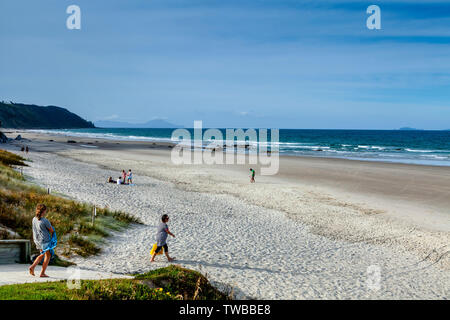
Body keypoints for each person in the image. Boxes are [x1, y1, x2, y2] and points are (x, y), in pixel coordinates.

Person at [29, 204, 54, 278]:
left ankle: (33, 267)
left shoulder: (34, 219)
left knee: (42, 255)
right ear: (44, 211)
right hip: (45, 240)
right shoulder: (45, 221)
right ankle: (42, 273)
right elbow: (51, 230)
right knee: (48, 255)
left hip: (37, 240)